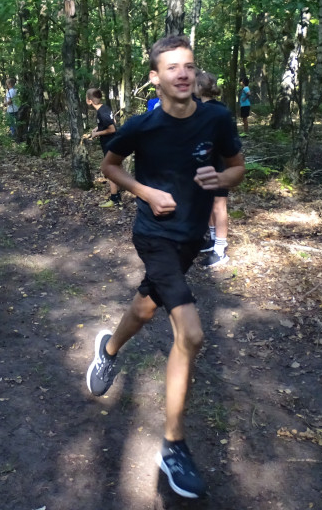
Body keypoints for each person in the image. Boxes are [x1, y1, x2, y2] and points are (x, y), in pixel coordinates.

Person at [87, 36, 244, 499]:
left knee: (146, 307)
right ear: (155, 77)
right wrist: (146, 192)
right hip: (153, 236)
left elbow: (237, 168)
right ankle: (173, 446)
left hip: (190, 239)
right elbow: (110, 167)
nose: (182, 74)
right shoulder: (142, 125)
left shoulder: (216, 118)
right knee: (190, 333)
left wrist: (222, 178)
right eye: (172, 67)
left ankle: (108, 349)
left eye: (189, 66)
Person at [195, 71, 234, 269]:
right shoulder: (201, 108)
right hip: (207, 163)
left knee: (219, 205)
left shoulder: (217, 111)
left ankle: (220, 250)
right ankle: (212, 239)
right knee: (210, 203)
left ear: (200, 87)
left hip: (219, 163)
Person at [84, 88, 120, 207]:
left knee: (111, 171)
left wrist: (97, 134)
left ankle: (114, 199)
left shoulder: (102, 112)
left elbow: (112, 129)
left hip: (111, 144)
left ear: (89, 101)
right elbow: (112, 121)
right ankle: (117, 196)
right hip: (113, 144)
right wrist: (97, 128)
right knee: (116, 170)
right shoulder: (104, 108)